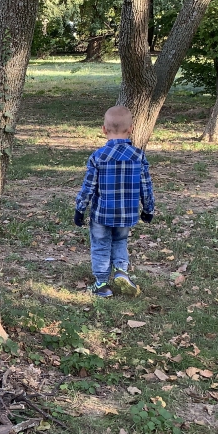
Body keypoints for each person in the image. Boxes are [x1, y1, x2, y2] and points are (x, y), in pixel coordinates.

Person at [74, 106, 155, 298]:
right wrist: (148, 208)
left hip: (101, 214)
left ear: (103, 129)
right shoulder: (138, 156)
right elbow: (146, 184)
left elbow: (89, 186)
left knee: (101, 245)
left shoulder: (98, 156)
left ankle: (102, 284)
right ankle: (121, 271)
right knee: (120, 241)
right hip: (127, 213)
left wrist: (80, 208)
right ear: (131, 129)